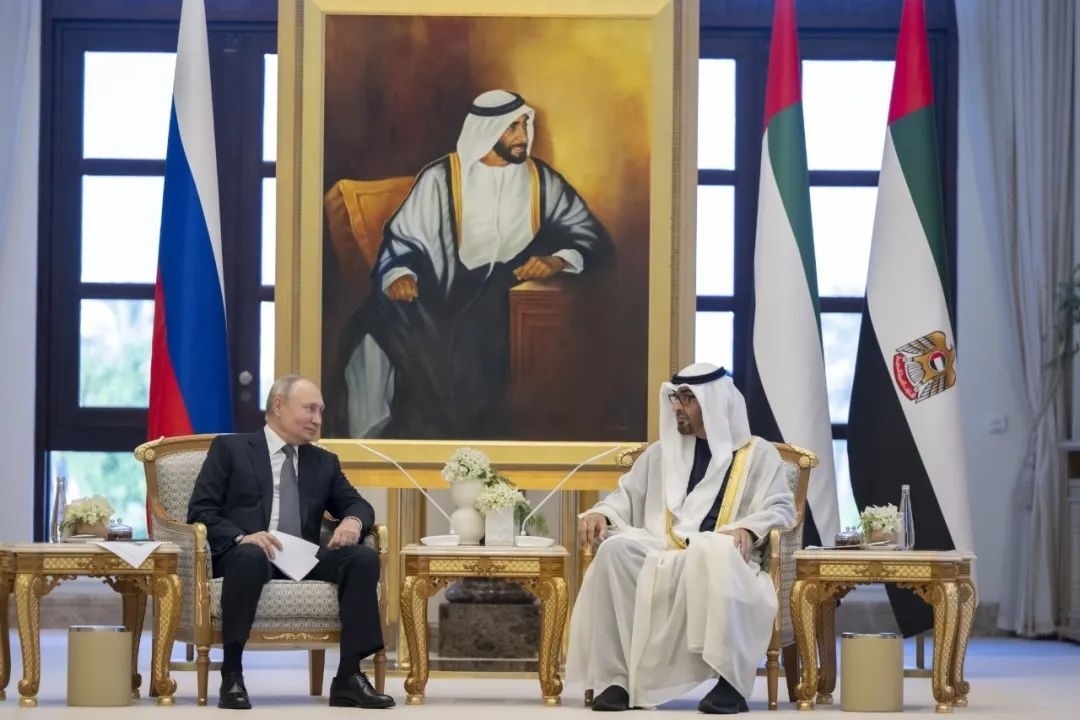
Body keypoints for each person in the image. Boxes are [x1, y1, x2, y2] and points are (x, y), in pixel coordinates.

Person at [337, 88, 613, 439]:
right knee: (374, 321)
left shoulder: (541, 180)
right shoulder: (441, 178)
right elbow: (403, 240)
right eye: (512, 128)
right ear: (486, 131)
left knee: (475, 341)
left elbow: (588, 234)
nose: (522, 136)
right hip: (439, 285)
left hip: (503, 289)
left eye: (524, 125)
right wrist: (399, 273)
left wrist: (557, 261)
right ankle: (389, 438)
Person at [566, 363, 796, 713]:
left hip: (725, 554)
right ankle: (618, 680)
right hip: (663, 549)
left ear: (714, 402)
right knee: (614, 550)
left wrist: (748, 529)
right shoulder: (661, 453)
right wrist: (602, 513)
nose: (677, 407)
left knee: (716, 550)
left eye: (687, 399)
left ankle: (730, 683)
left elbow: (781, 506)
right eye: (675, 398)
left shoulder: (757, 454)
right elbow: (625, 497)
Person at [187, 375, 394, 710]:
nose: (318, 419)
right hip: (247, 555)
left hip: (301, 558)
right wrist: (242, 537)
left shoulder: (323, 462)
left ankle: (349, 677)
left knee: (363, 559)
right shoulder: (231, 449)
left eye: (321, 411)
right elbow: (200, 510)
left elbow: (358, 504)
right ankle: (232, 674)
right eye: (310, 409)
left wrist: (353, 521)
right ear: (279, 405)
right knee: (251, 556)